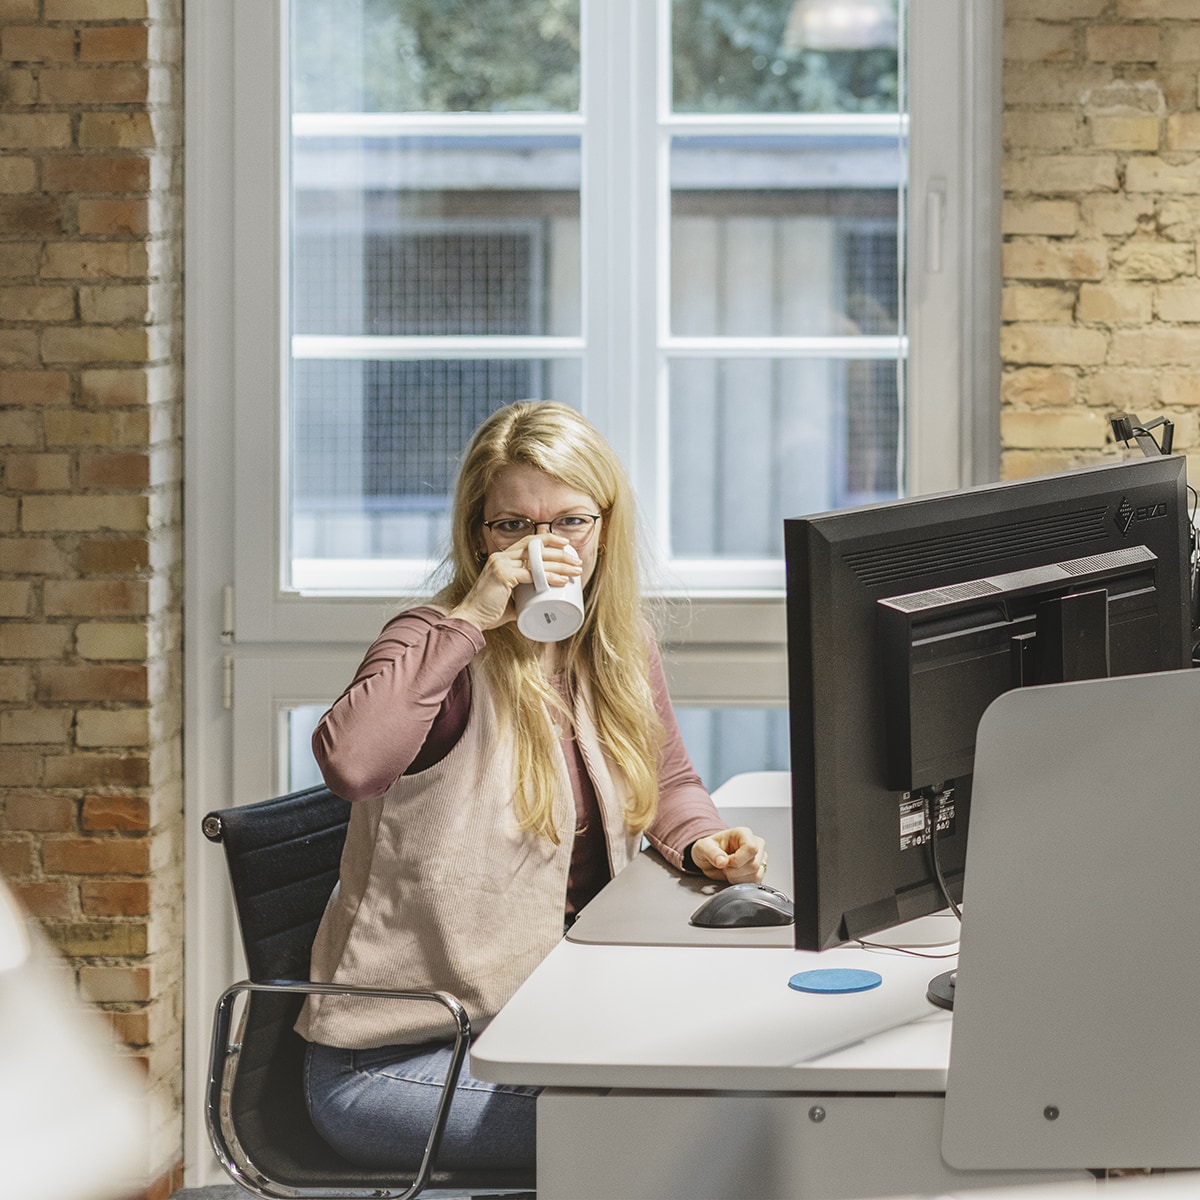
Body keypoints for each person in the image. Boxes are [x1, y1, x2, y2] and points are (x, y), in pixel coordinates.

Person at [296, 400, 768, 1171]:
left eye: (569, 523)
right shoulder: (432, 644)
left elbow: (669, 778)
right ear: (478, 534)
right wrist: (476, 615)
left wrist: (700, 840)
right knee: (674, 1136)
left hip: (551, 1027)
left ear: (604, 527)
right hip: (405, 1061)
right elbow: (352, 767)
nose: (542, 547)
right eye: (511, 526)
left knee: (752, 1084)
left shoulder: (614, 645)